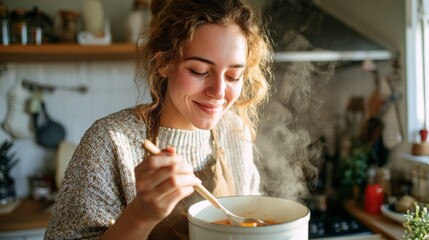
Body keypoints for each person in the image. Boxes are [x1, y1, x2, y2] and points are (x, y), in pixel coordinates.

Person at [44, 0, 273, 239]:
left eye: (234, 76)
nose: (218, 92)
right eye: (198, 71)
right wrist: (140, 214)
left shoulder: (234, 132)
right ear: (164, 62)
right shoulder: (111, 141)